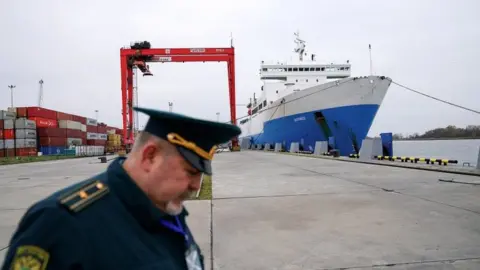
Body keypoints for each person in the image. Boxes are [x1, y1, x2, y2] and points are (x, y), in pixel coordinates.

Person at [1, 106, 241, 270]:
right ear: (150, 156)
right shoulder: (60, 224)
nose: (195, 186)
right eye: (191, 172)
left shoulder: (166, 209)